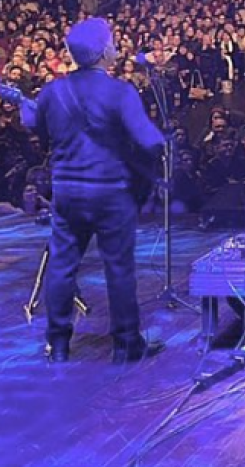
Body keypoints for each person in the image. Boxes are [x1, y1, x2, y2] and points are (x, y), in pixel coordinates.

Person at [22, 18, 166, 363]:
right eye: (113, 41)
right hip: (111, 192)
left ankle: (57, 344)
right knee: (118, 267)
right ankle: (126, 343)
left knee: (62, 265)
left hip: (67, 190)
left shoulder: (53, 91)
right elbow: (149, 140)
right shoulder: (120, 91)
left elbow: (36, 129)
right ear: (105, 52)